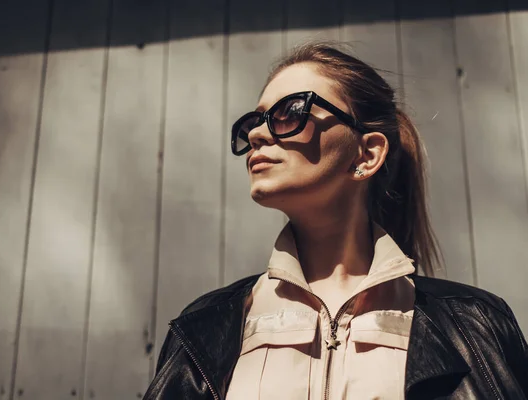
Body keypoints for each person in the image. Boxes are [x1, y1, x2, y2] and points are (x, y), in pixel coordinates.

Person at [144, 43, 528, 399]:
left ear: (366, 154)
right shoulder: (202, 329)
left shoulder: (477, 325)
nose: (258, 134)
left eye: (291, 112)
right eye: (254, 121)